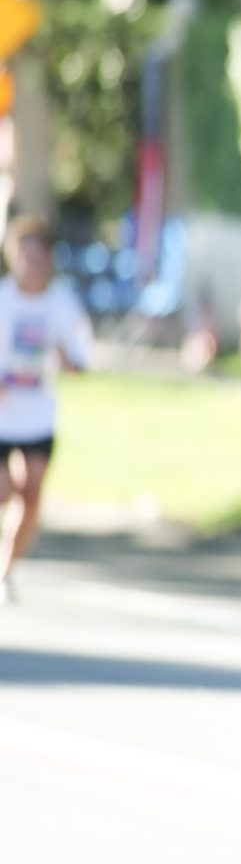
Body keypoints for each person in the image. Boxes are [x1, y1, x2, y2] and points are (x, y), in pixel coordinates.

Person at [0, 215, 92, 605]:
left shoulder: (63, 303)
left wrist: (67, 359)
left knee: (32, 498)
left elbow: (81, 361)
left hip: (37, 416)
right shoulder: (3, 299)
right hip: (2, 417)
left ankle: (5, 570)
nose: (33, 265)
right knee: (3, 492)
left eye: (40, 257)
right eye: (27, 256)